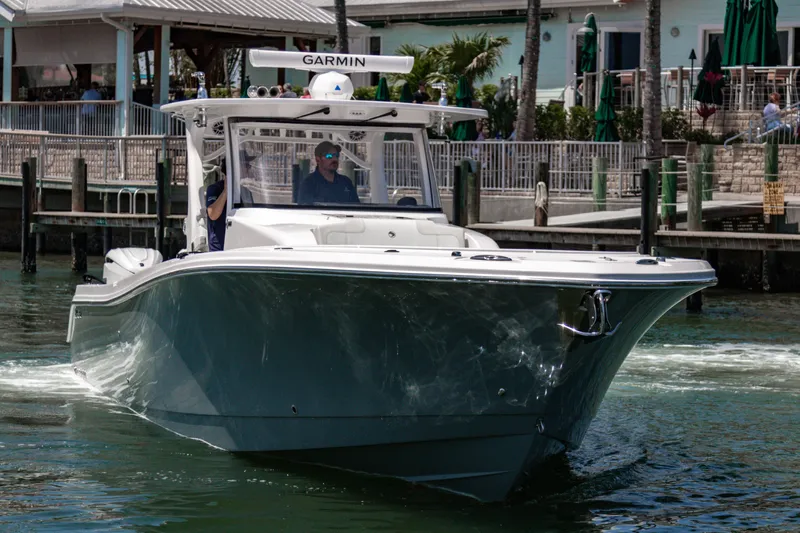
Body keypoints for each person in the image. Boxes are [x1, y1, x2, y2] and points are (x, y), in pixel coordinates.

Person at [206, 160, 227, 251]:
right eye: (246, 166)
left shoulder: (245, 191)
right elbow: (212, 214)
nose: (249, 168)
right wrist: (226, 191)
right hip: (218, 248)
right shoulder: (215, 189)